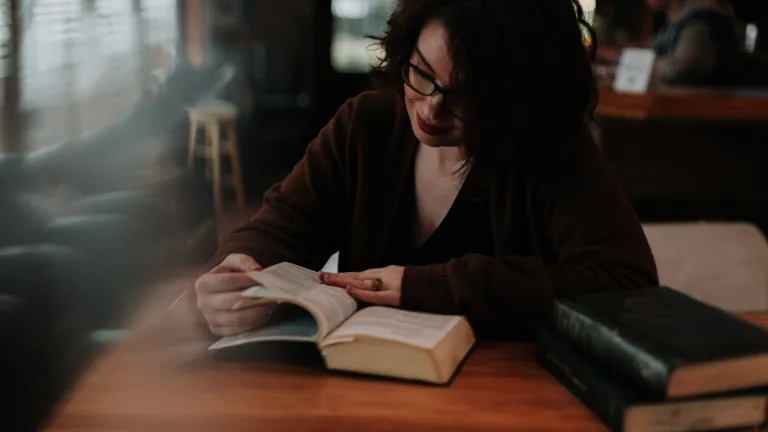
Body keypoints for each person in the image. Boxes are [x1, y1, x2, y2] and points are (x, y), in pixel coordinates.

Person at [193, 0, 658, 340]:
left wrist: (429, 286)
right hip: (361, 379)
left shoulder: (551, 148)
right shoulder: (365, 126)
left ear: (520, 99)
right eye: (421, 72)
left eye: (467, 95)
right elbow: (281, 226)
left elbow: (626, 284)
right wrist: (238, 269)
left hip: (507, 389)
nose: (432, 108)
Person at [648, 0, 741, 85]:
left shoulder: (700, 18)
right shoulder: (675, 19)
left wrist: (643, 64)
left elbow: (679, 68)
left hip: (708, 100)